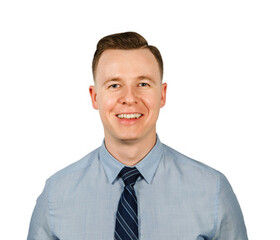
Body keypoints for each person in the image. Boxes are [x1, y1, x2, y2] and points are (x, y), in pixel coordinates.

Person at [27, 32, 248, 239]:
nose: (129, 98)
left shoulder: (212, 190)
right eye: (114, 85)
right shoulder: (56, 195)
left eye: (143, 84)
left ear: (162, 95)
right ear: (95, 97)